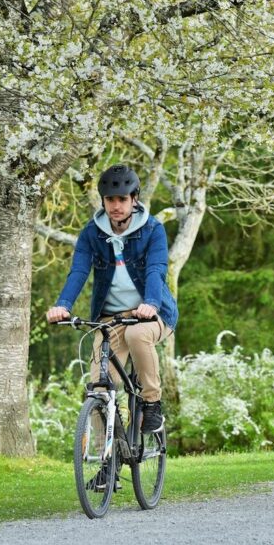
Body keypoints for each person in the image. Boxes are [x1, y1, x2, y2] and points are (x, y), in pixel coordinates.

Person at [46, 164, 178, 435]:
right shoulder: (91, 233)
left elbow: (156, 269)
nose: (116, 205)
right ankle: (106, 465)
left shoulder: (153, 230)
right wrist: (63, 305)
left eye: (122, 199)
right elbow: (79, 271)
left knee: (137, 336)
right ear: (103, 200)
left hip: (152, 313)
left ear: (134, 199)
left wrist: (151, 303)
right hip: (111, 318)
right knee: (99, 391)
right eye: (110, 200)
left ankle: (152, 402)